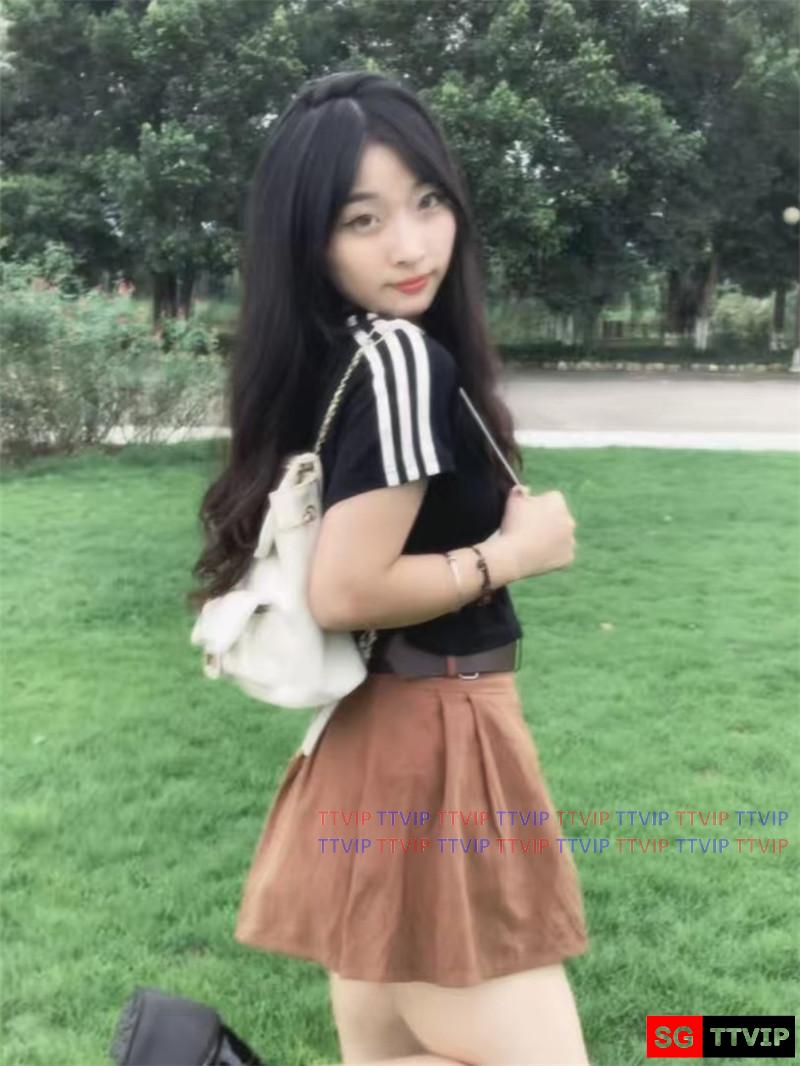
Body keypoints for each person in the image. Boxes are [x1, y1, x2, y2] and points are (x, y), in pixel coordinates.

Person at [188, 69, 590, 1066]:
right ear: (310, 240)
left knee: (388, 1052)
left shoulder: (332, 353)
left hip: (377, 737)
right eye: (362, 220)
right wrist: (514, 553)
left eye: (427, 202)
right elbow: (346, 589)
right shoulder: (401, 360)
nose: (409, 245)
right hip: (434, 744)